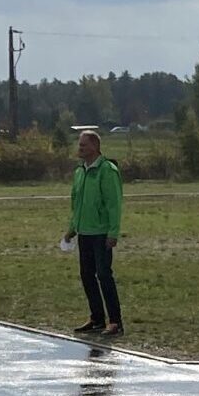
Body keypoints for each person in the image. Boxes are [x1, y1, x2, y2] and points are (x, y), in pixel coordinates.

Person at [64, 130, 124, 337]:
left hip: (101, 233)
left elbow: (114, 204)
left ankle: (115, 321)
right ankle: (97, 318)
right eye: (79, 145)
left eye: (83, 145)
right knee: (86, 275)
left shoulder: (107, 171)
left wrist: (113, 233)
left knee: (104, 275)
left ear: (95, 147)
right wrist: (72, 229)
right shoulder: (80, 172)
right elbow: (76, 203)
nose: (79, 149)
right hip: (85, 232)